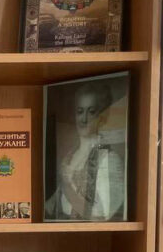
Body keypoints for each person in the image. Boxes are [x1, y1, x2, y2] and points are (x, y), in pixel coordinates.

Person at [45, 80, 124, 220]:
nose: (84, 119)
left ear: (101, 117)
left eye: (91, 112)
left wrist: (68, 185)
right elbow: (52, 206)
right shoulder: (69, 157)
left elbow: (100, 216)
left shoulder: (109, 159)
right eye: (80, 112)